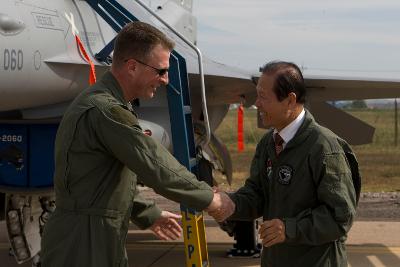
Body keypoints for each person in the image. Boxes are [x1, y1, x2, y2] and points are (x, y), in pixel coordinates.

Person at [41, 21, 234, 267]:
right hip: (84, 243)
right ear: (132, 66)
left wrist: (148, 213)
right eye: (161, 71)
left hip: (90, 235)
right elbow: (155, 165)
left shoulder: (107, 104)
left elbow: (100, 184)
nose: (165, 80)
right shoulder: (107, 110)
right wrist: (211, 199)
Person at [211, 61, 359, 266]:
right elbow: (257, 194)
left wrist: (289, 229)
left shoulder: (324, 147)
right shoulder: (268, 143)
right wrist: (229, 203)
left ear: (290, 100)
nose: (257, 104)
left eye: (263, 96)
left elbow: (340, 217)